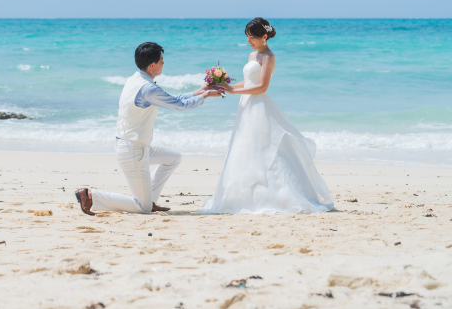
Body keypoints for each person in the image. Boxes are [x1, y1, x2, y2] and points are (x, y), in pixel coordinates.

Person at [199, 18, 335, 214]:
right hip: (246, 104)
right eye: (247, 37)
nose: (248, 41)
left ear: (264, 36)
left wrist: (233, 91)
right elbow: (248, 82)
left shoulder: (268, 56)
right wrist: (225, 88)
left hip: (258, 105)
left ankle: (274, 195)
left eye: (252, 37)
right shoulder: (252, 54)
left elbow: (262, 87)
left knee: (264, 147)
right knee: (244, 146)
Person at [75, 42, 222, 215]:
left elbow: (171, 99)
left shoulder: (137, 79)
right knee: (141, 207)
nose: (163, 63)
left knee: (173, 158)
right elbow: (179, 106)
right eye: (161, 60)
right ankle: (91, 195)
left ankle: (149, 199)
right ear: (152, 65)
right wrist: (206, 95)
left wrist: (199, 91)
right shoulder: (148, 88)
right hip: (133, 148)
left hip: (134, 145)